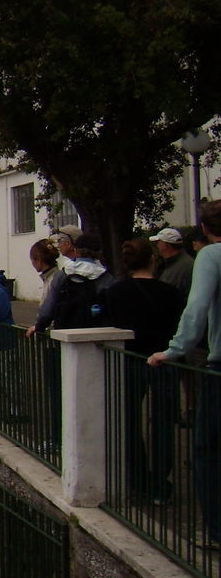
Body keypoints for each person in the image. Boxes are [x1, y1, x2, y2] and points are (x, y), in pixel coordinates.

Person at [149, 200, 221, 545]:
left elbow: (197, 309)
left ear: (205, 230)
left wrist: (174, 350)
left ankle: (215, 530)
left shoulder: (210, 256)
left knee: (207, 447)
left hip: (218, 366)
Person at [104, 237, 185, 500]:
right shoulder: (171, 293)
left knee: (129, 420)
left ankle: (137, 478)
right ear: (153, 259)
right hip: (164, 360)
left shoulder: (116, 293)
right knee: (162, 423)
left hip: (130, 359)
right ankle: (160, 482)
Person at [27, 232, 115, 338]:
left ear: (76, 251)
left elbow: (48, 307)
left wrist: (39, 326)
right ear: (98, 252)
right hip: (96, 333)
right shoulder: (105, 277)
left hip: (66, 332)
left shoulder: (64, 273)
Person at [150, 226, 195, 302]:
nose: (157, 246)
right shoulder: (171, 263)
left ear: (165, 246)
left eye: (158, 243)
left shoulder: (181, 267)